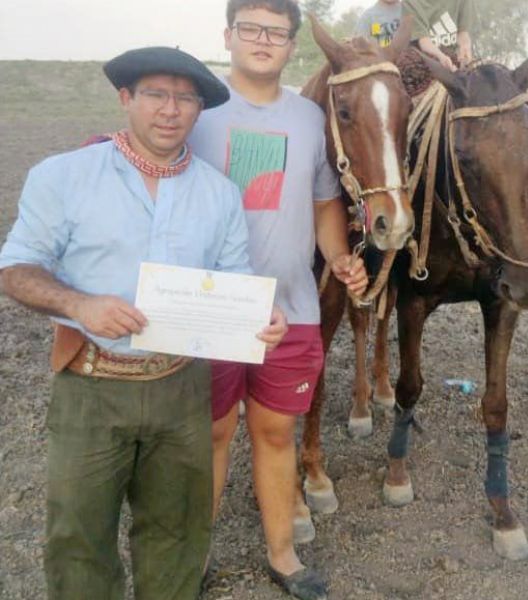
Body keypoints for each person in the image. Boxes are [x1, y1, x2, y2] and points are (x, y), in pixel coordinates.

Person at [0, 47, 288, 600]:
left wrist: (260, 316)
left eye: (186, 98)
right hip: (90, 383)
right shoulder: (64, 176)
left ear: (199, 111)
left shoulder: (218, 195)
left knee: (177, 534)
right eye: (156, 94)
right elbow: (16, 269)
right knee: (79, 538)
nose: (170, 110)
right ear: (126, 98)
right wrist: (79, 306)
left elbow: (233, 281)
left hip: (180, 388)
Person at [188, 1, 367, 598]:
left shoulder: (308, 120)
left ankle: (283, 555)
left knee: (275, 433)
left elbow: (323, 203)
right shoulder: (195, 112)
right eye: (251, 29)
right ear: (228, 37)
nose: (264, 41)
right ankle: (195, 552)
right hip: (209, 308)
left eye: (277, 32)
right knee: (210, 436)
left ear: (293, 46)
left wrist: (339, 256)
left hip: (290, 308)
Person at [402, 0, 475, 70]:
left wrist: (465, 47)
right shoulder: (411, 2)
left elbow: (463, 33)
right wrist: (442, 57)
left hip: (454, 59)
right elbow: (424, 41)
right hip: (425, 63)